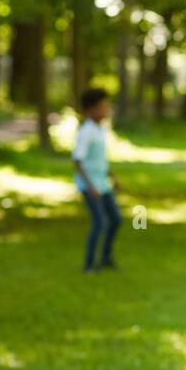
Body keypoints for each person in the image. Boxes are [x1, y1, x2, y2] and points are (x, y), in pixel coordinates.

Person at [72, 87, 122, 273]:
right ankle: (89, 264)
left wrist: (113, 178)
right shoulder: (86, 132)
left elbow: (100, 159)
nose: (106, 110)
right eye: (102, 107)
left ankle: (106, 258)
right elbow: (77, 161)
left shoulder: (101, 129)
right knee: (99, 223)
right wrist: (89, 186)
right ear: (90, 110)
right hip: (90, 185)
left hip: (103, 183)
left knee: (116, 219)